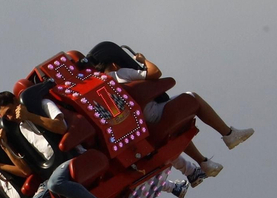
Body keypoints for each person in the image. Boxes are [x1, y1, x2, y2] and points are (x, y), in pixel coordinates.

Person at [82, 41, 254, 177]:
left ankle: (204, 163)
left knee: (176, 123)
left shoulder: (97, 89)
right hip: (154, 114)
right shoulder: (118, 74)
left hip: (140, 128)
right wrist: (142, 61)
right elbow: (154, 73)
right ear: (113, 63)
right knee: (191, 97)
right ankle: (229, 134)